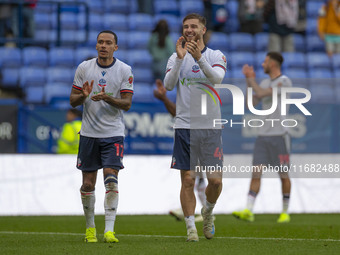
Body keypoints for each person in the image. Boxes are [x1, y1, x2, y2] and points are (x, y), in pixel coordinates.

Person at [164, 13, 227, 242]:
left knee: (215, 181)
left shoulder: (215, 55)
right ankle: (191, 228)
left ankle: (207, 212)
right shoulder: (174, 57)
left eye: (193, 26)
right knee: (188, 179)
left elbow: (217, 79)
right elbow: (169, 85)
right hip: (185, 126)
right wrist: (181, 58)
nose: (189, 30)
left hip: (210, 127)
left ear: (203, 29)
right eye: (185, 26)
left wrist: (199, 57)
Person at [70, 30, 134, 243]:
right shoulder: (84, 68)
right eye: (100, 42)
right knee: (88, 185)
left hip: (113, 134)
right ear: (96, 45)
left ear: (116, 47)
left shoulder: (124, 70)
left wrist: (107, 98)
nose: (103, 46)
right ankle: (90, 229)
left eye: (108, 43)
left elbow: (126, 104)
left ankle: (109, 230)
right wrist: (84, 95)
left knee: (111, 179)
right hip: (88, 134)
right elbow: (72, 101)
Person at [232, 52, 292, 223]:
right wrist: (248, 81)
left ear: (273, 64)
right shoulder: (265, 82)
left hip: (280, 136)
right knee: (256, 173)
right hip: (263, 136)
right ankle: (249, 210)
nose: (263, 64)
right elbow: (250, 104)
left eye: (265, 61)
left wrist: (251, 79)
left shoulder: (284, 81)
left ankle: (285, 211)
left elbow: (262, 93)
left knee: (283, 174)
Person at [153, 79, 208, 223]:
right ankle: (205, 210)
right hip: (189, 134)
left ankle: (201, 210)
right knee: (196, 175)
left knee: (194, 175)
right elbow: (177, 113)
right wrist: (164, 98)